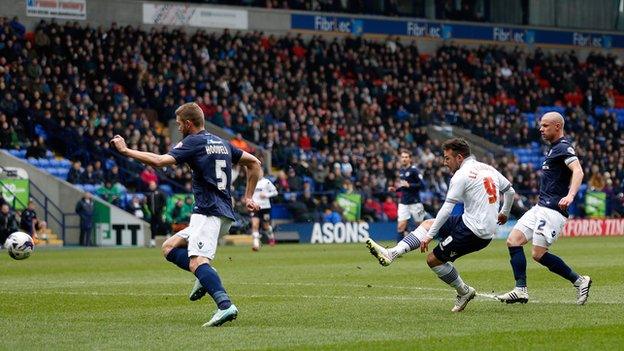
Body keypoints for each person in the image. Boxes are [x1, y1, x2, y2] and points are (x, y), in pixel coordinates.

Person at [111, 102, 262, 327]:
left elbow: (160, 161)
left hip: (208, 213)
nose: (179, 128)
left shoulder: (193, 142)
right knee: (169, 247)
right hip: (222, 213)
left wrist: (125, 151)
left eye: (180, 124)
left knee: (197, 261)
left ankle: (224, 305)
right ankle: (204, 274)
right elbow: (255, 163)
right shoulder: (221, 142)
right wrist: (249, 196)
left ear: (189, 123)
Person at [366, 138, 515, 312]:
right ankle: (392, 253)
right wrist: (504, 212)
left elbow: (446, 209)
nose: (444, 163)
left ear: (459, 157)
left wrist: (430, 237)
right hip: (471, 222)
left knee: (433, 260)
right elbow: (510, 192)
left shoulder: (461, 175)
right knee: (428, 223)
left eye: (447, 158)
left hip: (475, 232)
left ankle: (464, 291)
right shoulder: (488, 168)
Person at [496, 112, 591, 305]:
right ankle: (520, 290)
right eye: (541, 125)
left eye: (546, 125)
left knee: (538, 254)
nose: (541, 129)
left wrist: (571, 195)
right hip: (540, 207)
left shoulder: (564, 148)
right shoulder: (553, 149)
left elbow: (578, 171)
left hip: (553, 211)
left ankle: (580, 281)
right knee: (513, 241)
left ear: (558, 126)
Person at [388, 149, 425, 240]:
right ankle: (397, 250)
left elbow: (423, 185)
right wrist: (396, 189)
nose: (404, 159)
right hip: (403, 202)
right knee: (400, 226)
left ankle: (425, 244)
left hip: (416, 202)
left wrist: (410, 185)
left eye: (406, 157)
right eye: (402, 157)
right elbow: (404, 186)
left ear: (410, 159)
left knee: (421, 225)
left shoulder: (414, 170)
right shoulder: (401, 171)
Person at [250, 176, 279, 251]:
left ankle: (271, 236)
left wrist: (266, 195)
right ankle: (256, 244)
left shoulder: (267, 182)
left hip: (265, 207)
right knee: (255, 225)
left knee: (266, 226)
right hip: (255, 207)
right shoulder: (251, 181)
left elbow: (275, 192)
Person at [145, 181, 167, 248]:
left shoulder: (160, 192)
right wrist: (150, 210)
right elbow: (148, 203)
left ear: (155, 185)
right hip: (152, 213)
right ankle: (152, 242)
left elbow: (164, 202)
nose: (152, 186)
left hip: (159, 213)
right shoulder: (149, 194)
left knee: (162, 225)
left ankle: (168, 236)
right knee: (152, 227)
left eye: (153, 185)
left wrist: (162, 211)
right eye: (150, 185)